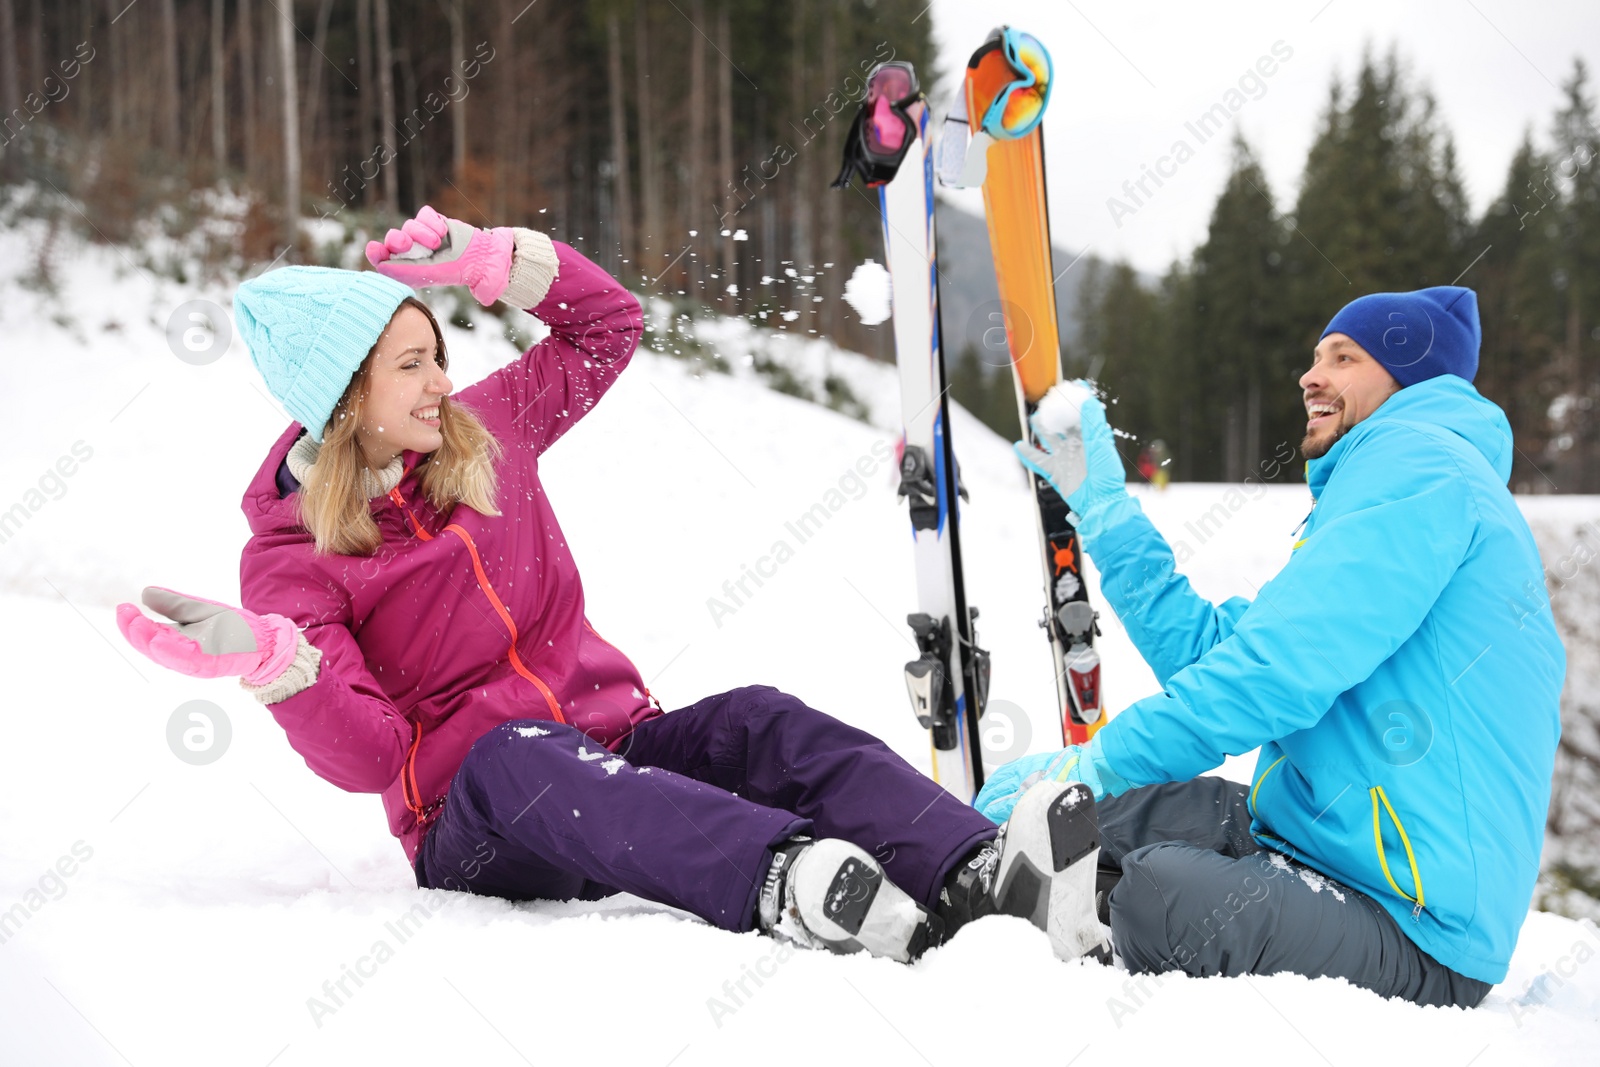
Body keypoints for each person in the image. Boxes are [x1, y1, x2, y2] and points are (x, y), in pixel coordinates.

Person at [115, 206, 1107, 965]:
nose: (437, 382)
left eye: (437, 355)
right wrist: (279, 664)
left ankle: (979, 867)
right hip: (479, 820)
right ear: (342, 401)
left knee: (757, 719)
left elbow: (606, 327)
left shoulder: (484, 431)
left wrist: (497, 262)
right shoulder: (292, 557)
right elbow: (370, 752)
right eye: (409, 365)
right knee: (513, 754)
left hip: (612, 747)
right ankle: (782, 876)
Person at [980, 285, 1565, 1008]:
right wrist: (1105, 513)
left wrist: (1094, 759)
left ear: (1409, 378)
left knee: (1158, 894)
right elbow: (1222, 652)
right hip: (1317, 841)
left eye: (1343, 358)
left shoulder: (1426, 475)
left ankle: (1036, 942)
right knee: (1074, 811)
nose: (1310, 375)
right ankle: (975, 879)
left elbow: (1270, 673)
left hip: (1417, 923)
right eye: (1315, 355)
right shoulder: (1390, 483)